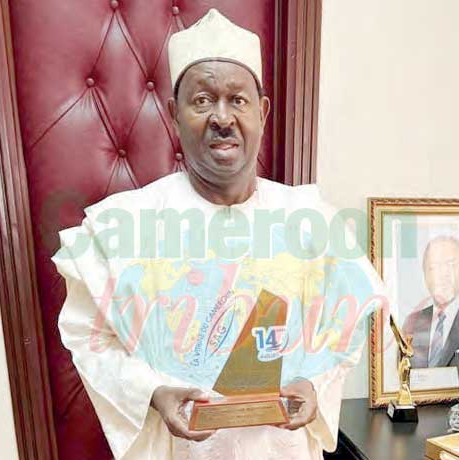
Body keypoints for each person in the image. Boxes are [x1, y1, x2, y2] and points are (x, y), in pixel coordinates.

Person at [52, 9, 386, 460]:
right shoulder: (121, 228)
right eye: (203, 100)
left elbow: (342, 328)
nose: (222, 118)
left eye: (237, 100)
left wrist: (314, 382)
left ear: (262, 112)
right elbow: (89, 338)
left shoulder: (311, 220)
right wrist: (152, 391)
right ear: (174, 114)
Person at [402, 236, 459, 368]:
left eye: (451, 265)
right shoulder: (412, 323)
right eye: (433, 267)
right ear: (425, 275)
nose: (443, 274)